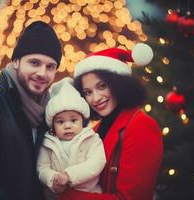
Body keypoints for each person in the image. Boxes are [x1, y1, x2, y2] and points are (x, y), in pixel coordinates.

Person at [0, 21, 62, 200]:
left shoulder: (51, 110)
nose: (42, 73)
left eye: (50, 66)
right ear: (16, 61)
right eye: (34, 63)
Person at [59, 43, 164, 200]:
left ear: (118, 85)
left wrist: (67, 196)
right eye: (88, 92)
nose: (95, 98)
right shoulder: (97, 128)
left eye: (102, 86)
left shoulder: (141, 126)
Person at [37, 79, 106, 199]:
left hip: (88, 194)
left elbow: (97, 162)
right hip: (57, 196)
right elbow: (42, 167)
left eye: (73, 120)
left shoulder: (91, 139)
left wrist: (69, 175)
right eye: (60, 122)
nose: (67, 126)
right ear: (53, 125)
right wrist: (53, 179)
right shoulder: (48, 143)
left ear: (82, 121)